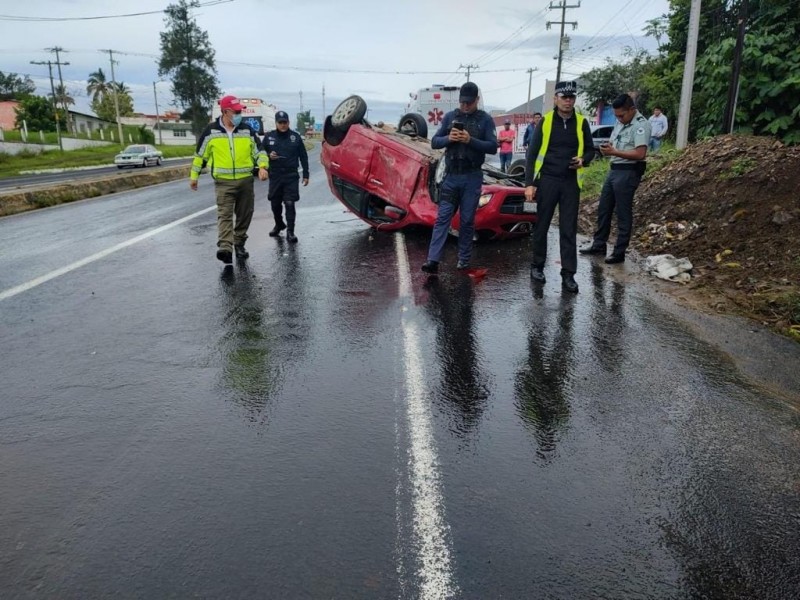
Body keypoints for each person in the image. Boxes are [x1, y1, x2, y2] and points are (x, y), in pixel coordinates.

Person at [524, 81, 594, 293]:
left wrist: (583, 160)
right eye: (564, 97)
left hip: (571, 182)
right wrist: (529, 184)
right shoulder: (544, 122)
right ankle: (537, 266)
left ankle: (568, 274)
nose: (568, 101)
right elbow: (532, 154)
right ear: (555, 99)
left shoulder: (581, 123)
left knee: (568, 229)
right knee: (542, 225)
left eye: (571, 97)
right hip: (548, 180)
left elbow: (591, 150)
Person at [421, 81, 497, 274]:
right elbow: (435, 142)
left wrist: (470, 140)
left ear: (477, 100)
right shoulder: (450, 118)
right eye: (462, 102)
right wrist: (450, 138)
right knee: (443, 218)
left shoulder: (485, 120)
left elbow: (492, 147)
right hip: (452, 176)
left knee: (466, 220)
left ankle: (463, 259)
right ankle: (432, 260)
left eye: (469, 103)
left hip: (472, 177)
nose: (465, 106)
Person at [190, 95, 268, 264]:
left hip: (245, 181)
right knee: (224, 215)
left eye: (241, 111)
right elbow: (200, 156)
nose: (240, 114)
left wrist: (262, 166)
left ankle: (239, 243)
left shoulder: (247, 130)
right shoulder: (211, 132)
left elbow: (259, 151)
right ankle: (225, 247)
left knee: (244, 214)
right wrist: (194, 176)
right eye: (237, 111)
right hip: (223, 183)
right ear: (226, 112)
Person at [580, 93, 651, 264]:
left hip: (628, 171)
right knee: (604, 208)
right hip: (614, 170)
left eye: (622, 115)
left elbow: (640, 153)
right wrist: (609, 149)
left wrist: (615, 152)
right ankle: (599, 245)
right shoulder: (620, 123)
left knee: (622, 212)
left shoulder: (641, 125)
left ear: (632, 110)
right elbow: (617, 143)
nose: (619, 118)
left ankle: (619, 252)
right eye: (616, 115)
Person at [263, 110, 309, 243]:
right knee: (275, 204)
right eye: (280, 122)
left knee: (289, 203)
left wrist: (305, 174)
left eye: (285, 122)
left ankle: (291, 231)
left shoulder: (295, 137)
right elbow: (260, 152)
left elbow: (303, 156)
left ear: (288, 122)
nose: (283, 125)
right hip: (275, 175)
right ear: (276, 123)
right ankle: (279, 224)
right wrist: (268, 156)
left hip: (291, 175)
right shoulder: (269, 137)